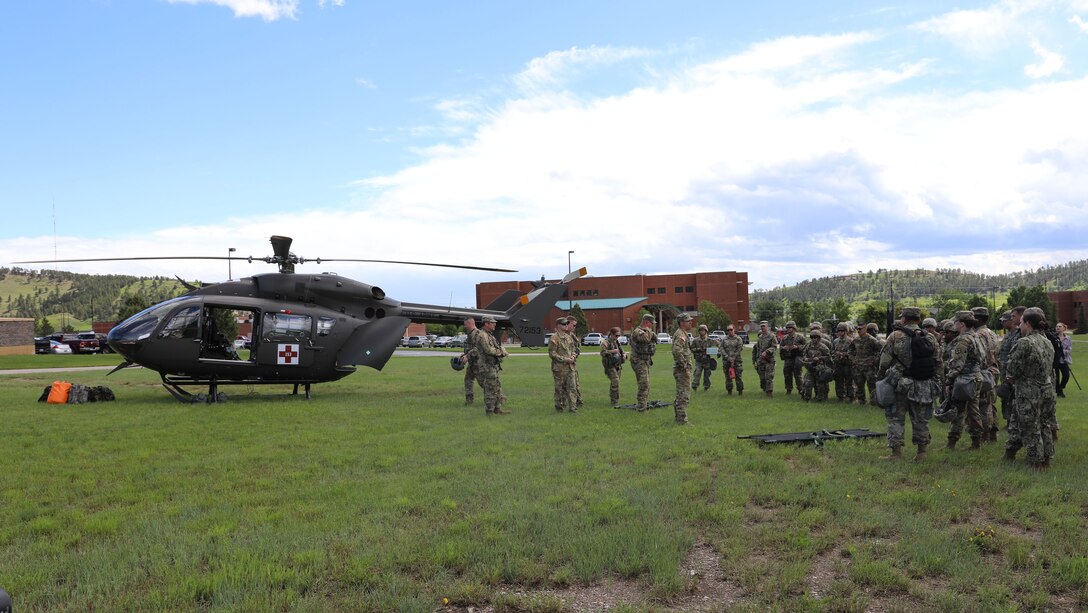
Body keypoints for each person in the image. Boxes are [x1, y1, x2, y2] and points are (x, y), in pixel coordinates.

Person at [877, 307, 940, 460]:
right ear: (919, 320)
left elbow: (884, 362)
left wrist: (880, 377)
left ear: (904, 319)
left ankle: (896, 453)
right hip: (923, 384)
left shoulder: (895, 336)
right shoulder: (930, 338)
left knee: (895, 418)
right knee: (921, 419)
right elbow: (938, 361)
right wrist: (937, 381)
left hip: (900, 384)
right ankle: (922, 453)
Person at [1004, 307, 1057, 468]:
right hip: (1047, 390)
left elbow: (1012, 371)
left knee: (1031, 427)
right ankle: (1047, 459)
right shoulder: (1047, 341)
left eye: (1020, 322)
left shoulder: (1024, 343)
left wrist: (1011, 379)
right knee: (1045, 425)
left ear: (1027, 323)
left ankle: (1035, 462)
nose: (1019, 326)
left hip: (1028, 392)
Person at [944, 311, 986, 450]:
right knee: (974, 411)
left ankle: (951, 443)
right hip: (976, 377)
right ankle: (976, 443)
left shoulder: (963, 339)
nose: (954, 324)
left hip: (965, 380)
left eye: (955, 322)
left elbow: (957, 364)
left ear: (961, 323)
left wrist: (949, 380)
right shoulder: (976, 336)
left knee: (958, 411)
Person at [973, 307, 1001, 442]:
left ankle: (985, 436)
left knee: (983, 405)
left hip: (985, 372)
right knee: (991, 403)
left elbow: (980, 356)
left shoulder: (979, 335)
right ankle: (993, 434)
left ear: (977, 319)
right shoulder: (991, 333)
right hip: (994, 371)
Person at [474, 315, 510, 415]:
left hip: (493, 366)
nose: (495, 324)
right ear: (486, 323)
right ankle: (489, 412)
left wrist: (500, 350)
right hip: (487, 367)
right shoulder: (482, 335)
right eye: (492, 322)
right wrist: (502, 352)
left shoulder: (489, 334)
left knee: (497, 387)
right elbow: (489, 350)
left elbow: (495, 348)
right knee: (490, 389)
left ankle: (497, 409)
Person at [549, 317, 580, 413]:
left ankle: (573, 408)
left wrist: (573, 357)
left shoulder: (569, 337)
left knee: (572, 388)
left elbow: (574, 350)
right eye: (564, 324)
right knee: (560, 389)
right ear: (558, 325)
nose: (566, 326)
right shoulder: (554, 338)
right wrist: (565, 359)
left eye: (567, 324)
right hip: (559, 368)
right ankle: (559, 407)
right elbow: (552, 354)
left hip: (570, 367)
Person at [849, 322, 883, 406]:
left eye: (860, 329)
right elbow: (850, 351)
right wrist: (853, 359)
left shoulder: (872, 340)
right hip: (858, 366)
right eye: (857, 329)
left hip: (869, 367)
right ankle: (861, 401)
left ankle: (874, 402)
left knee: (871, 385)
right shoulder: (856, 340)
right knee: (859, 384)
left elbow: (880, 351)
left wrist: (873, 360)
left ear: (865, 329)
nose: (858, 330)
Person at [629, 313, 657, 411]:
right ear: (647, 322)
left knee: (645, 384)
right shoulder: (637, 331)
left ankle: (643, 404)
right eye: (651, 323)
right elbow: (646, 339)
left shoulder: (646, 331)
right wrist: (648, 330)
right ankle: (641, 407)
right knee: (644, 384)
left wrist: (649, 331)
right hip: (638, 361)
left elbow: (655, 338)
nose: (652, 326)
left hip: (645, 361)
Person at [672, 313, 696, 424]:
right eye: (688, 321)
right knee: (683, 394)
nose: (691, 322)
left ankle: (679, 417)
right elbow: (677, 351)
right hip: (682, 369)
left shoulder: (683, 333)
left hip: (682, 368)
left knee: (681, 393)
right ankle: (682, 420)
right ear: (682, 322)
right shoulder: (680, 334)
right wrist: (684, 365)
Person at [800, 329, 831, 401]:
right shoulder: (808, 345)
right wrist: (805, 358)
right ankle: (806, 398)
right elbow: (804, 354)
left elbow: (828, 357)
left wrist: (819, 358)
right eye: (812, 337)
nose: (814, 339)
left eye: (815, 337)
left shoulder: (823, 347)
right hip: (810, 367)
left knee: (820, 384)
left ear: (819, 338)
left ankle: (821, 398)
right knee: (808, 383)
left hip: (820, 368)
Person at [600, 326, 625, 408]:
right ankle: (614, 402)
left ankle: (613, 399)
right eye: (616, 335)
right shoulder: (605, 342)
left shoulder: (617, 342)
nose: (618, 337)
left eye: (619, 336)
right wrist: (612, 351)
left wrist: (624, 355)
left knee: (615, 383)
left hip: (617, 365)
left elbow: (621, 352)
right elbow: (603, 353)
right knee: (615, 381)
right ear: (611, 334)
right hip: (609, 366)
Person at [778, 322, 805, 395]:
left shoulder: (800, 337)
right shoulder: (784, 338)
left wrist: (797, 347)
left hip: (797, 357)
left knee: (798, 374)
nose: (788, 329)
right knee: (787, 374)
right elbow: (780, 346)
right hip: (788, 358)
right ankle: (788, 389)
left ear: (794, 328)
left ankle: (801, 389)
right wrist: (783, 348)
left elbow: (806, 346)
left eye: (790, 327)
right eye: (787, 328)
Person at [752, 321, 778, 397]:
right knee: (762, 377)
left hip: (769, 360)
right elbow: (758, 349)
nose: (762, 328)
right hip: (761, 360)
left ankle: (769, 393)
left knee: (769, 376)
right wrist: (756, 360)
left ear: (767, 327)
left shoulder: (772, 336)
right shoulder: (760, 337)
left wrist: (767, 351)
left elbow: (774, 346)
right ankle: (765, 389)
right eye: (761, 326)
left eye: (764, 326)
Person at [459, 316, 481, 405]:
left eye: (465, 325)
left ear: (470, 323)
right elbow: (470, 347)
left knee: (484, 383)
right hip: (472, 362)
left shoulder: (477, 333)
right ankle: (469, 402)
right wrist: (465, 354)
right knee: (468, 380)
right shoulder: (470, 334)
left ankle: (498, 398)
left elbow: (477, 348)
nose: (465, 326)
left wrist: (467, 356)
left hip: (479, 363)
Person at [831, 322, 855, 403]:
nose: (840, 332)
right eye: (838, 331)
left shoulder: (851, 341)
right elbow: (832, 351)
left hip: (848, 364)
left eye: (842, 330)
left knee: (849, 381)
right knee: (839, 381)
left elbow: (854, 353)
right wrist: (836, 354)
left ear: (846, 331)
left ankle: (851, 396)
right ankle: (841, 396)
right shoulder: (835, 341)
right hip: (838, 364)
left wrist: (845, 354)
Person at [719, 325, 745, 395]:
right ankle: (729, 391)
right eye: (728, 330)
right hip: (726, 361)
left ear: (734, 329)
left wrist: (733, 358)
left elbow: (739, 349)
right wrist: (728, 357)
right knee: (728, 377)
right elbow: (721, 348)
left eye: (731, 329)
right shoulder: (724, 339)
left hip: (737, 361)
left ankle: (740, 391)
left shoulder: (738, 339)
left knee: (738, 376)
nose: (729, 331)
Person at [690, 324, 716, 392]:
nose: (702, 332)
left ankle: (706, 387)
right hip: (699, 360)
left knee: (707, 375)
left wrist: (717, 352)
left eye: (703, 330)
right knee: (697, 374)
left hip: (707, 360)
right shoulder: (695, 340)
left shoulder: (709, 340)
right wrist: (698, 349)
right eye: (701, 330)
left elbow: (717, 345)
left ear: (706, 331)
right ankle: (694, 387)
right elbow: (691, 349)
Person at [1055, 321, 1072, 398]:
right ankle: (1059, 392)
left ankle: (1060, 388)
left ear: (1064, 328)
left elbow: (1069, 349)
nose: (1057, 328)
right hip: (1055, 360)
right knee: (1056, 378)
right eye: (1057, 326)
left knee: (1066, 376)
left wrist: (1062, 351)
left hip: (1064, 360)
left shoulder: (1068, 338)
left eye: (1059, 326)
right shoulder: (1054, 337)